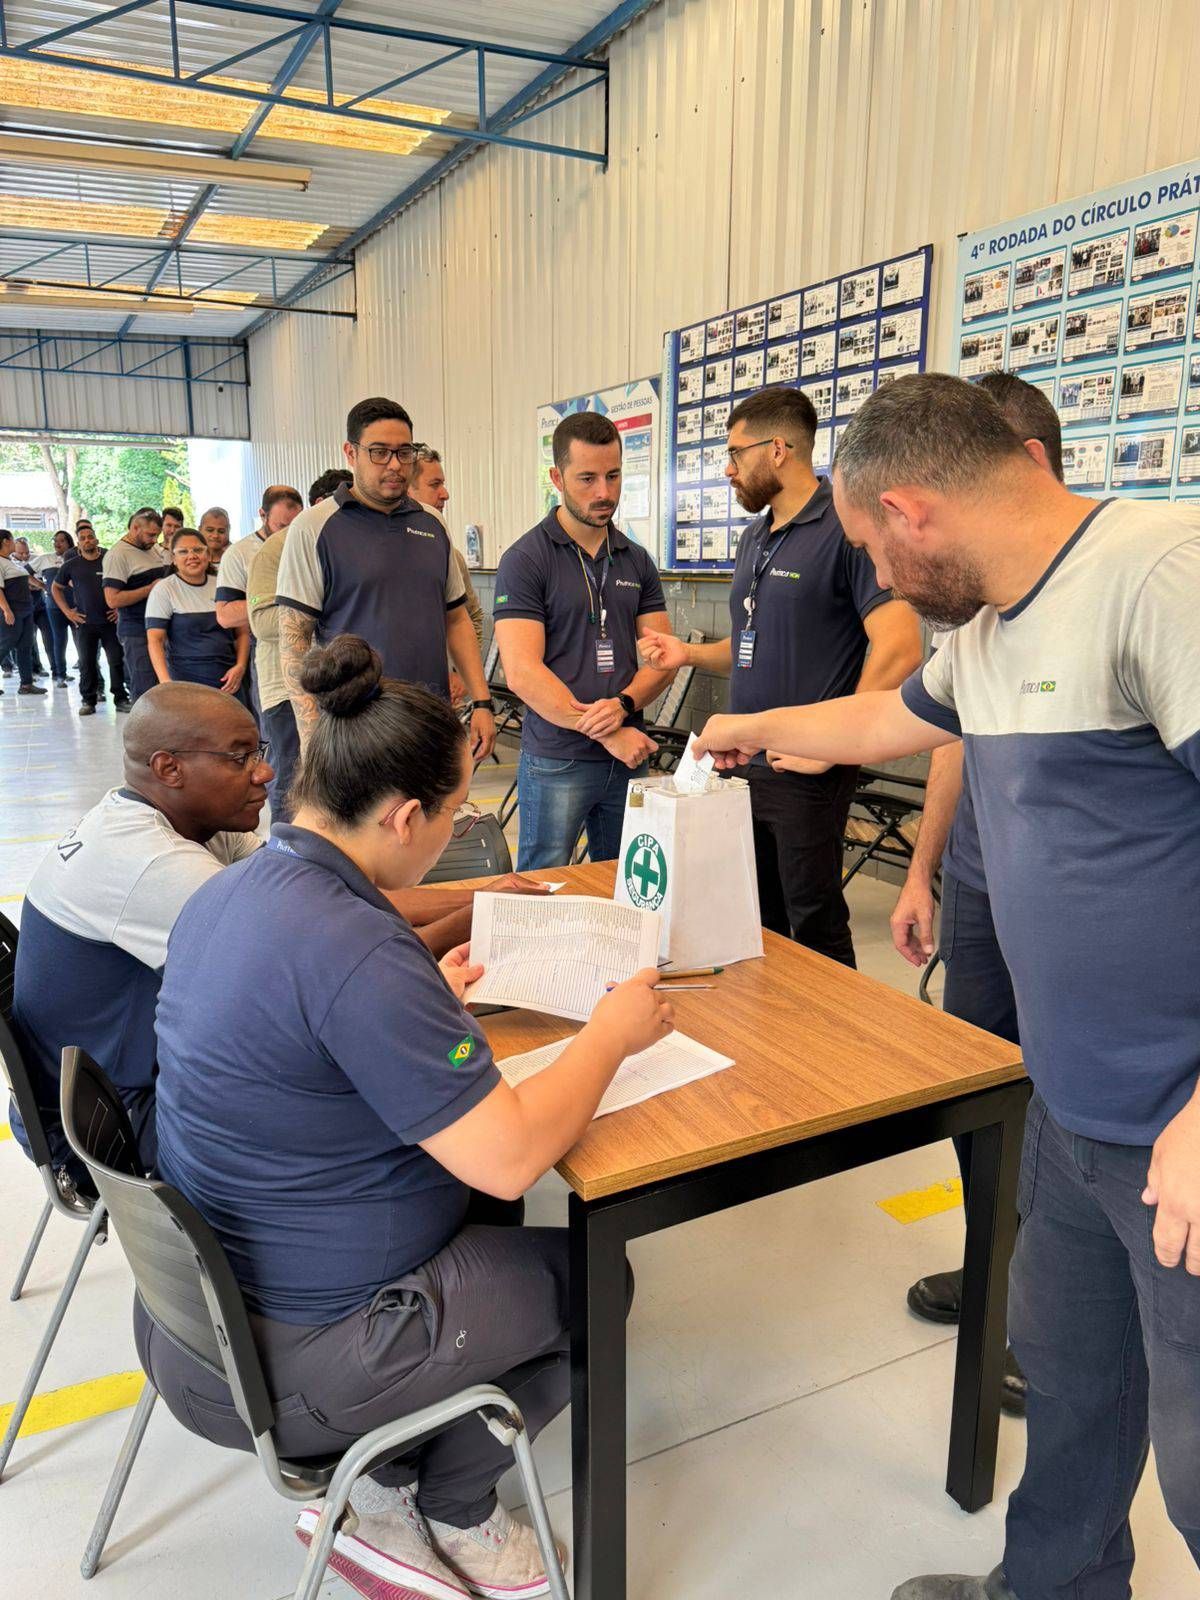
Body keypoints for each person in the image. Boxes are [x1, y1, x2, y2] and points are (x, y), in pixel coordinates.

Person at [691, 373, 1200, 1600]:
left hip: (1180, 1132)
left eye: (872, 550)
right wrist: (737, 731)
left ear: (909, 511)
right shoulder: (991, 629)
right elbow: (885, 723)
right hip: (1075, 1116)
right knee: (1073, 1391)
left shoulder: (1158, 577)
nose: (884, 584)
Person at [144, 634, 672, 1600]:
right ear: (405, 816)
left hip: (197, 1322)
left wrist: (418, 1007)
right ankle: (434, 1503)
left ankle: (390, 1471)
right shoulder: (352, 945)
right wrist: (611, 1033)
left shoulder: (237, 893)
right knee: (597, 1277)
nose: (453, 834)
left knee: (489, 1219)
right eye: (457, 817)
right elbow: (510, 1157)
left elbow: (299, 1043)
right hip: (297, 1362)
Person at [895, 371, 1063, 1417]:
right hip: (978, 888)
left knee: (1057, 1117)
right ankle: (993, 1268)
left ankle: (1048, 1314)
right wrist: (920, 865)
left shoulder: (1121, 590)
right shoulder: (974, 602)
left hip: (1060, 908)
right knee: (978, 1090)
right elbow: (942, 731)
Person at [640, 386, 923, 965]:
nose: (727, 469)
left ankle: (832, 1046)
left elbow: (900, 648)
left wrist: (836, 746)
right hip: (744, 763)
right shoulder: (755, 536)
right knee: (754, 918)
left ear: (777, 450)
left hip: (807, 768)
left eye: (735, 453)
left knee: (813, 920)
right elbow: (751, 645)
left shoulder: (842, 529)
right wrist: (688, 656)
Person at [10, 685, 269, 1176]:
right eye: (239, 758)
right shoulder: (153, 863)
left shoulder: (154, 814)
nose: (263, 771)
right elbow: (308, 961)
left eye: (257, 751)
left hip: (103, 1093)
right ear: (169, 769)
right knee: (337, 1103)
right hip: (106, 1130)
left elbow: (302, 893)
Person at [494, 412, 673, 868]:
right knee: (543, 886)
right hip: (559, 758)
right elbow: (521, 671)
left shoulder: (636, 560)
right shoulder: (526, 559)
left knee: (630, 884)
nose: (604, 493)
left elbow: (663, 658)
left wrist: (625, 708)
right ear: (556, 477)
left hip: (629, 752)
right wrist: (607, 731)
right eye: (587, 478)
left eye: (613, 476)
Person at [275, 398, 496, 762]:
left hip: (430, 722)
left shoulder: (432, 523)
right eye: (379, 452)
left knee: (433, 817)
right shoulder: (315, 527)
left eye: (404, 452)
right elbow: (294, 639)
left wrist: (482, 701)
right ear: (351, 452)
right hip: (355, 729)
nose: (395, 465)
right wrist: (313, 738)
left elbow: (456, 618)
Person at [411, 443, 485, 707]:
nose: (445, 494)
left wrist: (462, 673)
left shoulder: (450, 555)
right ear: (407, 489)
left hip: (441, 700)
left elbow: (471, 616)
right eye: (435, 484)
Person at [146, 528, 250, 694]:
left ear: (208, 555)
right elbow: (155, 640)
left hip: (229, 680)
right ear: (173, 558)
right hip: (185, 682)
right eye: (183, 552)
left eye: (198, 550)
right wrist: (166, 684)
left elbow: (242, 631)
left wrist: (240, 666)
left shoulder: (223, 585)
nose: (192, 556)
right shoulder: (164, 590)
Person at [54, 522, 129, 715]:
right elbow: (55, 588)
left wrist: (119, 608)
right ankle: (88, 701)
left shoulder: (109, 561)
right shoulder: (71, 565)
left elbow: (125, 586)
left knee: (116, 661)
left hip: (109, 622)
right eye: (83, 538)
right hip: (85, 623)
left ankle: (121, 698)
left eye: (90, 537)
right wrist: (68, 612)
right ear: (78, 544)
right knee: (87, 664)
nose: (87, 540)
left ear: (96, 539)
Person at [102, 507, 169, 702]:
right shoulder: (118, 555)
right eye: (150, 534)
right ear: (134, 527)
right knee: (145, 688)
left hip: (160, 628)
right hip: (137, 632)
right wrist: (150, 588)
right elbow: (112, 599)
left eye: (157, 535)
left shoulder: (152, 549)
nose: (154, 539)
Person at [0, 529, 45, 697]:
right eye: (12, 540)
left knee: (25, 647)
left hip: (26, 610)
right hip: (12, 611)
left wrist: (44, 586)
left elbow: (26, 578)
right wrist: (6, 610)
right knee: (5, 645)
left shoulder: (10, 561)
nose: (14, 543)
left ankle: (26, 684)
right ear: (5, 541)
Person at [33, 530, 76, 686]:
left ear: (69, 543)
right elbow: (25, 571)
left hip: (76, 606)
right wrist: (41, 585)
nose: (57, 543)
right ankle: (60, 676)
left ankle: (89, 677)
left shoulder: (76, 558)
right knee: (59, 641)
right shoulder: (46, 558)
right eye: (55, 540)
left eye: (61, 541)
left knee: (81, 643)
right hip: (54, 607)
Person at [14, 537, 54, 681]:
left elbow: (43, 578)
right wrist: (35, 584)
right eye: (21, 553)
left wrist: (38, 585)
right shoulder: (10, 562)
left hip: (41, 602)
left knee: (50, 636)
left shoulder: (36, 559)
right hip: (23, 603)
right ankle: (33, 669)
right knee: (29, 639)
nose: (25, 556)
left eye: (27, 552)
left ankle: (56, 670)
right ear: (14, 550)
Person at [199, 505, 231, 572]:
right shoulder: (190, 558)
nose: (215, 535)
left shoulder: (236, 558)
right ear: (200, 530)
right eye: (210, 530)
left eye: (221, 531)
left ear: (228, 531)